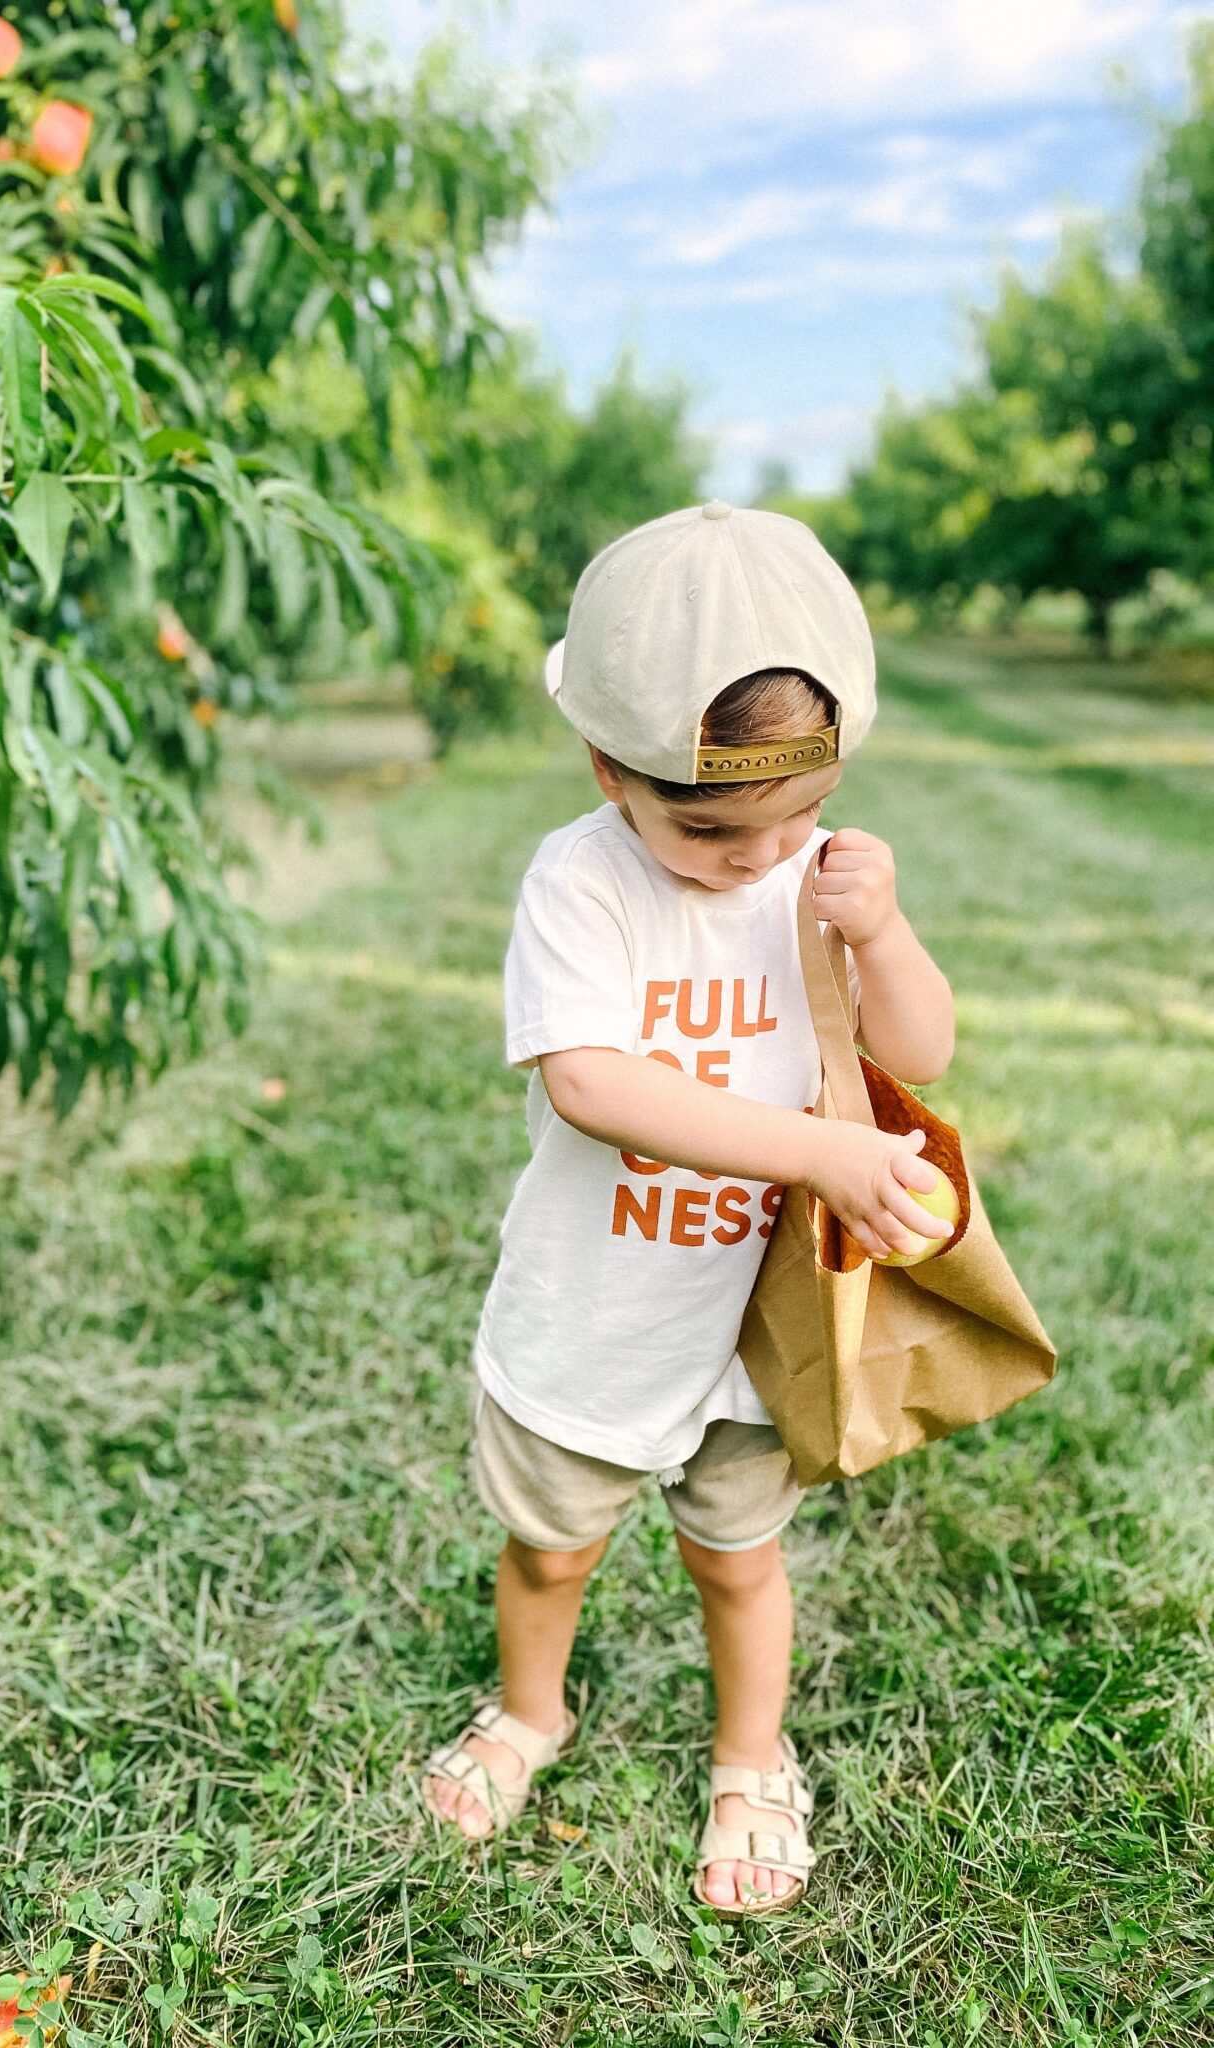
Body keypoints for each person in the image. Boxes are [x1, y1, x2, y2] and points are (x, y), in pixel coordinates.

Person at [421, 500, 956, 1917]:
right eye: (712, 825)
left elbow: (922, 1051)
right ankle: (533, 1712)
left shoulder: (814, 876)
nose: (757, 854)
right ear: (610, 768)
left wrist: (882, 933)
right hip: (595, 1306)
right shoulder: (581, 882)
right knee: (552, 1546)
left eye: (799, 814)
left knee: (741, 1557)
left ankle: (750, 1757)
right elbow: (593, 1081)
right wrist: (813, 1152)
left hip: (751, 1327)